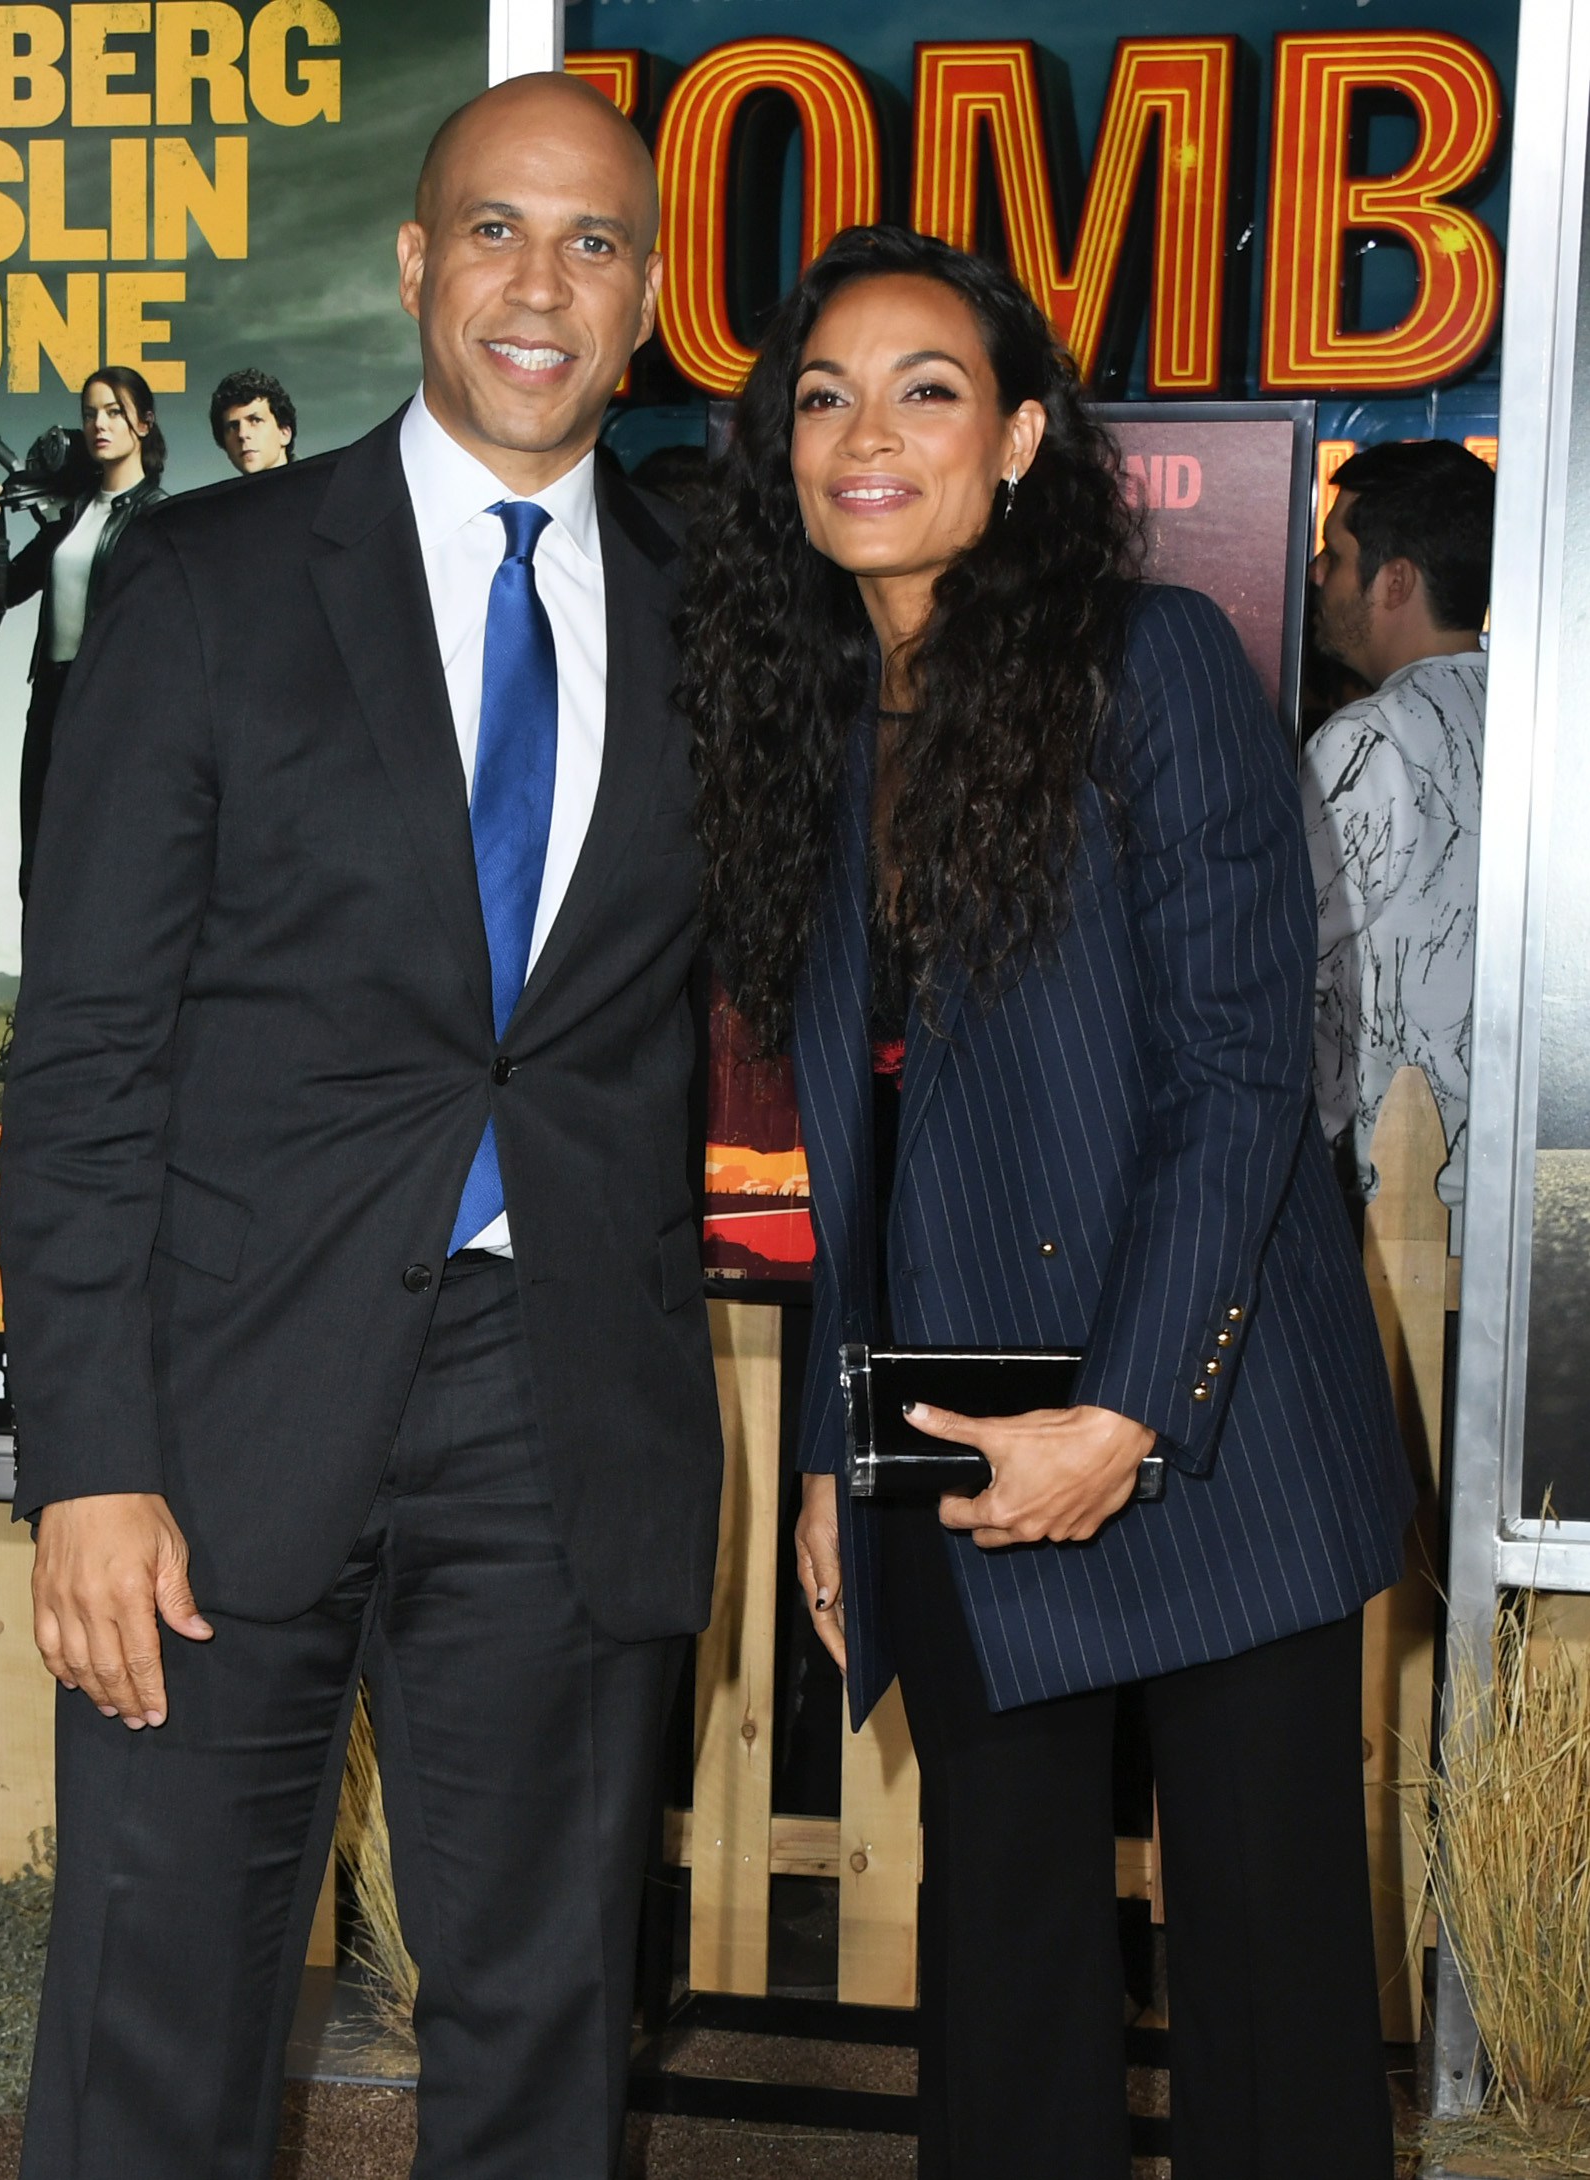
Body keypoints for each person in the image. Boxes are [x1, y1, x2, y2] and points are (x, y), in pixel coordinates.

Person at [2, 72, 720, 2180]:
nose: (541, 283)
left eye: (595, 244)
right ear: (415, 264)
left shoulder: (713, 614)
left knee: (538, 2018)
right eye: (497, 229)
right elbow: (89, 1048)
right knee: (164, 2011)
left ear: (650, 299)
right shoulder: (210, 581)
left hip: (561, 1395)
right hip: (224, 1404)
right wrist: (95, 1457)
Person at [682, 225, 1412, 2180]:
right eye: (824, 392)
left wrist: (1125, 1409)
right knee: (1004, 1969)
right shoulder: (819, 717)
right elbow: (872, 1137)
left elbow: (1243, 1069)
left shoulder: (1150, 659)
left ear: (1018, 439)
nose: (867, 431)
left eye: (927, 388)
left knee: (1266, 1984)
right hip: (950, 1420)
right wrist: (846, 1451)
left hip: (1213, 1422)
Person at [1304, 439, 1494, 1230]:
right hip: (1508, 1197)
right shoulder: (1538, 722)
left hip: (1389, 1214)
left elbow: (1282, 957)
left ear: (1396, 579)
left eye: (1335, 552)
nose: (1317, 574)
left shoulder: (1370, 740)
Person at [0, 365, 167, 903]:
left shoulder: (160, 518)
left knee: (106, 856)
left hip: (114, 704)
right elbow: (3, 592)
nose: (100, 423)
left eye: (115, 412)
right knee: (40, 862)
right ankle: (41, 989)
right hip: (51, 698)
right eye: (90, 413)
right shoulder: (70, 514)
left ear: (144, 423)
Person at [210, 366, 297, 473]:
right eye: (233, 426)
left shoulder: (320, 485)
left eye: (255, 420)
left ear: (284, 433)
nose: (242, 434)